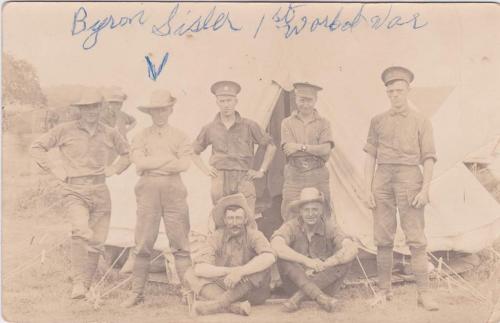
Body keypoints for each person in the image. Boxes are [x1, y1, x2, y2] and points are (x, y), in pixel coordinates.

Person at [30, 89, 130, 299]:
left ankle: (85, 285)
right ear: (80, 110)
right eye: (86, 108)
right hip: (75, 190)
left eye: (94, 107)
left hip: (101, 190)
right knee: (81, 230)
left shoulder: (110, 132)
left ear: (100, 108)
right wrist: (54, 169)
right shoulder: (64, 130)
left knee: (97, 241)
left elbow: (127, 154)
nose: (91, 112)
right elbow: (37, 147)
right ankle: (78, 283)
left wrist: (115, 169)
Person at [363, 66, 439, 311]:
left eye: (399, 90)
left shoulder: (421, 121)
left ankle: (424, 294)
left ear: (408, 91)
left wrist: (425, 189)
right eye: (391, 91)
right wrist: (367, 188)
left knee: (416, 239)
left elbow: (428, 157)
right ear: (386, 93)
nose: (395, 95)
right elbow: (370, 158)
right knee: (383, 238)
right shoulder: (377, 121)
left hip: (410, 177)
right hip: (382, 178)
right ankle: (384, 291)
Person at [121, 90, 193, 307]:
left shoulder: (181, 136)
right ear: (150, 113)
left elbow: (184, 165)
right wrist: (168, 160)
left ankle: (188, 291)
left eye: (163, 109)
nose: (159, 114)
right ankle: (137, 293)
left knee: (180, 243)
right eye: (155, 111)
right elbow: (139, 162)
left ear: (170, 110)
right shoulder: (141, 136)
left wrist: (154, 162)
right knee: (143, 242)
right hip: (148, 190)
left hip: (174, 190)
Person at [192, 81, 276, 219]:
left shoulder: (249, 125)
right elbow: (193, 151)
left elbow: (271, 145)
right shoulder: (210, 128)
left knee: (248, 219)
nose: (226, 105)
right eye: (222, 101)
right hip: (219, 177)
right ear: (217, 102)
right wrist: (205, 170)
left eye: (229, 100)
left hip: (243, 177)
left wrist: (261, 171)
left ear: (236, 101)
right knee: (221, 219)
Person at [184, 193, 275, 316]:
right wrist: (231, 271)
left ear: (245, 220)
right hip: (226, 286)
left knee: (262, 267)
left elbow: (269, 257)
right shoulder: (216, 236)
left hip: (252, 292)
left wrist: (241, 272)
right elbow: (200, 268)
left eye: (238, 218)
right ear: (225, 220)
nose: (234, 223)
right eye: (231, 218)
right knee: (190, 273)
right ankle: (233, 306)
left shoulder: (254, 235)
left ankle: (216, 305)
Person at [271, 187, 358, 313]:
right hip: (296, 283)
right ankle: (321, 298)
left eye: (315, 209)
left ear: (321, 210)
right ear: (300, 211)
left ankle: (298, 298)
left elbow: (351, 248)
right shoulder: (291, 225)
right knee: (283, 257)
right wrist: (306, 261)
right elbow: (275, 245)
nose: (310, 214)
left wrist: (327, 263)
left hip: (325, 285)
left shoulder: (330, 227)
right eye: (306, 210)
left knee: (347, 259)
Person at [280, 82, 334, 220]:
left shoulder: (324, 123)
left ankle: (320, 241)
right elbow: (289, 150)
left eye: (309, 100)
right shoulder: (287, 123)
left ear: (315, 100)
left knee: (323, 211)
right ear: (296, 99)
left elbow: (326, 149)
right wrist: (315, 149)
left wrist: (300, 147)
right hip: (294, 174)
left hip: (318, 174)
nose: (305, 104)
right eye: (301, 100)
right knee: (290, 211)